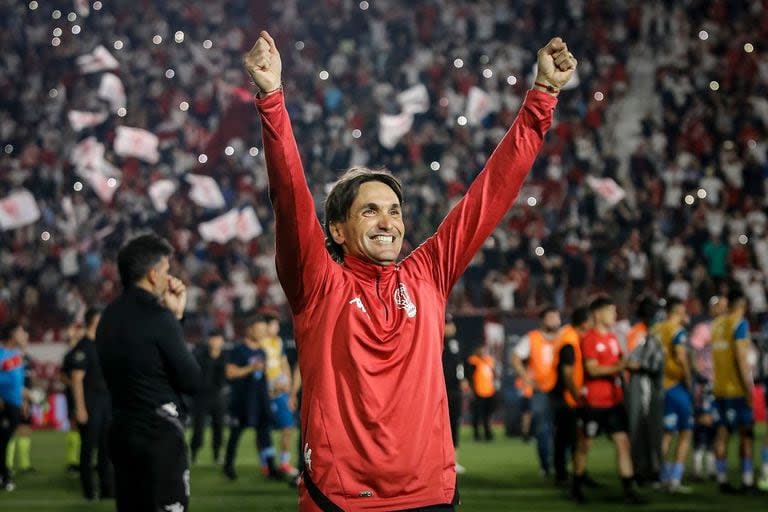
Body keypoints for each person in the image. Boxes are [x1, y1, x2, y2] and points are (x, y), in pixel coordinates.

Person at [244, 29, 576, 510]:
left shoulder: (427, 274)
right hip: (342, 499)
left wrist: (542, 97)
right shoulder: (318, 284)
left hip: (430, 495)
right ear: (337, 229)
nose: (388, 222)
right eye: (370, 210)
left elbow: (491, 194)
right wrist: (272, 99)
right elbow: (290, 199)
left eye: (395, 211)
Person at [97, 233, 201, 512]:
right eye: (167, 271)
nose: (170, 279)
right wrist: (177, 317)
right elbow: (191, 379)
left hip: (120, 430)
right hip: (158, 435)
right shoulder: (159, 317)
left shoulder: (107, 317)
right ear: (153, 275)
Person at [573, 296, 643, 504]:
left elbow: (621, 360)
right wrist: (621, 367)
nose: (614, 315)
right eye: (610, 311)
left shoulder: (613, 338)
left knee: (623, 442)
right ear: (597, 314)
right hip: (593, 403)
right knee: (585, 445)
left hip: (614, 402)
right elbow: (592, 369)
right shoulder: (590, 339)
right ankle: (576, 486)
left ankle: (629, 491)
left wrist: (630, 364)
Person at [223, 314, 279, 480]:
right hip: (242, 400)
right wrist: (250, 368)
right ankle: (228, 466)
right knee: (235, 434)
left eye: (264, 330)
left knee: (265, 435)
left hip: (260, 401)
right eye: (259, 329)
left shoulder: (262, 351)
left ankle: (271, 468)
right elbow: (230, 372)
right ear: (250, 330)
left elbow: (263, 376)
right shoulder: (238, 350)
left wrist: (272, 390)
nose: (262, 333)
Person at [711, 289, 756, 493]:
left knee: (722, 433)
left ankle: (722, 480)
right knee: (746, 434)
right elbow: (740, 357)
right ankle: (747, 482)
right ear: (744, 305)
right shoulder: (739, 324)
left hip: (719, 388)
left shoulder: (717, 324)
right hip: (736, 389)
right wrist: (749, 388)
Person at [511, 306, 561, 477]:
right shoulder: (532, 338)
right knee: (542, 429)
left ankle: (560, 465)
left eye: (557, 316)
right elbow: (516, 357)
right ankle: (546, 466)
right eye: (551, 317)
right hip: (540, 390)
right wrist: (526, 378)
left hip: (561, 390)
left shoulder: (564, 337)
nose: (555, 320)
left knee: (565, 429)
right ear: (543, 320)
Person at [71, 307, 114, 500]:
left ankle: (107, 490)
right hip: (90, 402)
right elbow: (76, 379)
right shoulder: (83, 347)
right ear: (93, 321)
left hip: (107, 401)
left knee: (107, 448)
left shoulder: (105, 344)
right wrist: (80, 407)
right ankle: (89, 491)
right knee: (88, 448)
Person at [655, 298, 693, 492]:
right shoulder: (677, 331)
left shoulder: (656, 329)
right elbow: (681, 356)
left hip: (659, 386)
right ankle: (675, 480)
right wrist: (688, 378)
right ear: (679, 311)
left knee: (666, 434)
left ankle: (661, 477)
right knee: (685, 431)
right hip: (676, 386)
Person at [625, 296, 664, 487]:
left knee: (651, 427)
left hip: (651, 382)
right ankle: (642, 471)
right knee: (641, 427)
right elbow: (632, 363)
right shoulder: (638, 333)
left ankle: (650, 469)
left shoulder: (648, 331)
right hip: (641, 382)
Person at [551, 306, 591, 488]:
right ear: (584, 323)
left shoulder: (568, 336)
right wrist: (576, 395)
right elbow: (567, 374)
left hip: (562, 395)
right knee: (569, 439)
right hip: (566, 397)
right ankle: (566, 475)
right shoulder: (569, 341)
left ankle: (574, 474)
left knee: (566, 438)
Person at [690, 296, 726, 482]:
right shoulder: (704, 328)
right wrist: (700, 377)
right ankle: (697, 464)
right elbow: (693, 352)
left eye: (724, 306)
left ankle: (711, 465)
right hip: (707, 381)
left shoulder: (726, 328)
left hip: (722, 383)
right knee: (703, 421)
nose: (721, 309)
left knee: (718, 424)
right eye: (718, 306)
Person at [262, 313, 299, 476]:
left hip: (280, 389)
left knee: (287, 426)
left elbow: (284, 364)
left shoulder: (278, 342)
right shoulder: (259, 343)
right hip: (265, 390)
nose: (277, 328)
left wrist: (289, 388)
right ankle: (266, 463)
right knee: (263, 428)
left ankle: (284, 462)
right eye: (274, 325)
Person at [190, 329, 227, 465]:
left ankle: (217, 455)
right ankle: (193, 454)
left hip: (217, 396)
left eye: (218, 339)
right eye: (213, 339)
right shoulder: (200, 355)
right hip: (201, 396)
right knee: (198, 427)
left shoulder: (224, 356)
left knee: (219, 427)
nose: (216, 342)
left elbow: (225, 378)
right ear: (209, 340)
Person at [0, 321, 27, 491]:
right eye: (21, 331)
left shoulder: (17, 355)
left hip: (15, 404)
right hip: (4, 405)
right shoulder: (1, 353)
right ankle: (5, 476)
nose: (24, 334)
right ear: (12, 334)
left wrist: (24, 400)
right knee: (2, 442)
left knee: (4, 441)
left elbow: (18, 382)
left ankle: (4, 475)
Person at [442, 315, 469, 474]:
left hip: (454, 390)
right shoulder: (435, 341)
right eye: (447, 324)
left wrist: (464, 378)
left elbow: (461, 365)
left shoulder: (457, 344)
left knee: (454, 424)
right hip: (440, 390)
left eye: (451, 324)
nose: (450, 327)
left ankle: (453, 460)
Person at [60, 316, 84, 473]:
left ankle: (82, 460)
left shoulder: (88, 350)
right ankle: (72, 461)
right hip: (73, 394)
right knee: (74, 426)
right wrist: (75, 384)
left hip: (88, 394)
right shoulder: (70, 355)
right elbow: (62, 376)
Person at [467, 344, 497, 442]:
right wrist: (471, 390)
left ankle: (487, 433)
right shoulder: (473, 361)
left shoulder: (489, 361)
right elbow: (469, 376)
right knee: (477, 415)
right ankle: (476, 435)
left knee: (487, 415)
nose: (483, 351)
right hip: (478, 392)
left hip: (489, 391)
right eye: (481, 349)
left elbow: (493, 375)